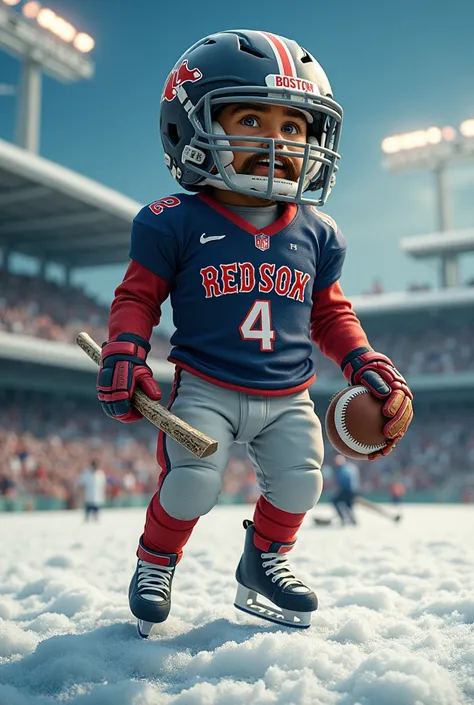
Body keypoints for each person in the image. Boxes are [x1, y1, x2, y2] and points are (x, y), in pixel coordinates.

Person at [96, 30, 413, 636]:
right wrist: (126, 349)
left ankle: (265, 561)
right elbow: (138, 296)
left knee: (302, 480)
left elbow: (328, 313)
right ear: (188, 128)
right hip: (206, 386)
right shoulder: (174, 221)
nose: (277, 140)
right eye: (250, 119)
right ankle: (155, 561)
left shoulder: (317, 232)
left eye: (294, 128)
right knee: (192, 484)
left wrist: (362, 359)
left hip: (288, 392)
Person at [332, 454, 360, 526]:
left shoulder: (343, 469)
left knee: (335, 501)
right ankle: (353, 520)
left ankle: (343, 519)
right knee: (349, 506)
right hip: (354, 490)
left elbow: (344, 482)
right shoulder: (351, 467)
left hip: (347, 490)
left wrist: (339, 491)